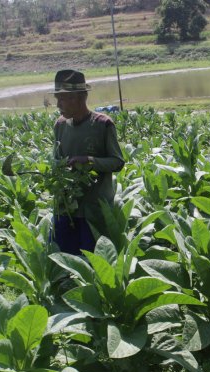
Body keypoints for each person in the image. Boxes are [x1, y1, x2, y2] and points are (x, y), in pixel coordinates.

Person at [48, 69, 125, 255]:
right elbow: (56, 159)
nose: (58, 104)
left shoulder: (102, 124)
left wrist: (89, 161)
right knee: (62, 258)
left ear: (80, 98)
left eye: (63, 99)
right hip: (66, 206)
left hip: (93, 209)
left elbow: (117, 162)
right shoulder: (59, 125)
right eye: (57, 98)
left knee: (92, 260)